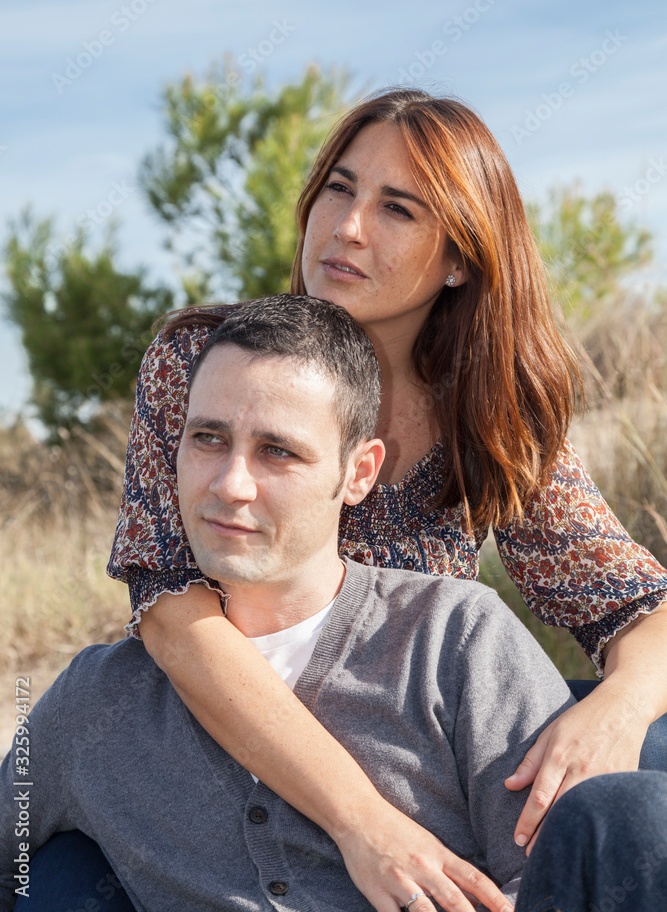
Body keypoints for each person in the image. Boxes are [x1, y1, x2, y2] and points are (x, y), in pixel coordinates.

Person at [39, 91, 667, 909]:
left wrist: (619, 707)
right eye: (338, 189)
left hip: (423, 744)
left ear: (459, 258)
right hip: (240, 739)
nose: (347, 227)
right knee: (55, 872)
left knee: (636, 785)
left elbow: (635, 606)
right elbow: (172, 614)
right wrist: (363, 822)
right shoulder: (208, 360)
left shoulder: (486, 408)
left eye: (396, 208)